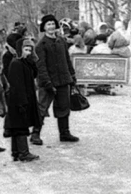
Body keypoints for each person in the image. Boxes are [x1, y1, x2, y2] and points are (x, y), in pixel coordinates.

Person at [31, 14, 79, 145]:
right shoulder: (41, 45)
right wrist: (46, 82)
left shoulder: (61, 41)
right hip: (48, 82)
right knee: (42, 107)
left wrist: (72, 76)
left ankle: (64, 133)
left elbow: (67, 60)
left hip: (63, 80)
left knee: (64, 106)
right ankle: (35, 133)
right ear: (44, 28)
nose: (51, 26)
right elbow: (40, 66)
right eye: (48, 24)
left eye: (53, 24)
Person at [4, 39, 41, 162]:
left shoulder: (24, 62)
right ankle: (23, 152)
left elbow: (34, 74)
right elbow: (17, 85)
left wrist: (32, 61)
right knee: (20, 127)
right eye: (26, 50)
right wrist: (22, 102)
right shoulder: (16, 63)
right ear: (20, 50)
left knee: (18, 126)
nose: (28, 53)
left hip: (24, 99)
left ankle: (17, 152)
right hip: (19, 100)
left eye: (30, 50)